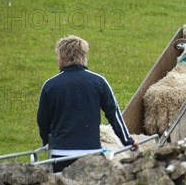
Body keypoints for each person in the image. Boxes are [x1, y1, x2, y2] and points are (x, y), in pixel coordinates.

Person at [37, 35, 138, 173]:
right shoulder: (99, 82)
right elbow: (113, 114)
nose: (58, 61)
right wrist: (128, 141)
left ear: (65, 59)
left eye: (59, 57)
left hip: (61, 155)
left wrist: (47, 142)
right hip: (91, 154)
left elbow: (43, 120)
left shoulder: (50, 85)